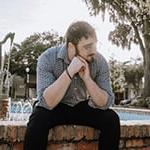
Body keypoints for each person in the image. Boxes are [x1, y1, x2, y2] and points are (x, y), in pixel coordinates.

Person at [24, 21, 120, 150]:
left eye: (94, 45)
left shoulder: (99, 61)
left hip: (81, 106)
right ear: (71, 47)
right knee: (37, 119)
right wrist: (69, 72)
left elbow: (105, 103)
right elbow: (47, 103)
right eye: (87, 46)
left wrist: (87, 79)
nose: (93, 51)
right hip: (56, 106)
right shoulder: (47, 58)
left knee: (111, 119)